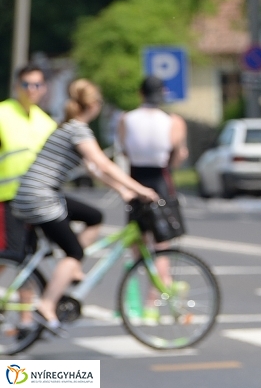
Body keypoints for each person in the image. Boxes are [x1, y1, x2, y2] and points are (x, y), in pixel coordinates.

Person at [11, 79, 158, 336]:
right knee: (74, 250)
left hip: (38, 195)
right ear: (92, 105)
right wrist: (140, 189)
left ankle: (72, 267)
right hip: (40, 198)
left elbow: (93, 169)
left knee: (94, 216)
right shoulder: (78, 130)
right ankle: (47, 304)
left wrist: (122, 190)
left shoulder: (69, 127)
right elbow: (103, 163)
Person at [117, 75, 188, 323]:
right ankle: (152, 304)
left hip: (136, 181)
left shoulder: (126, 119)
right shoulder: (173, 121)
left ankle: (134, 301)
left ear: (140, 94)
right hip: (161, 182)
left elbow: (125, 150)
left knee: (138, 246)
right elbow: (178, 154)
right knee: (162, 248)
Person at [0, 64, 57, 255]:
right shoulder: (3, 113)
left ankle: (29, 287)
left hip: (36, 197)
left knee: (30, 254)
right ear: (17, 86)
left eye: (37, 85)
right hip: (7, 198)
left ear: (44, 88)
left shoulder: (47, 123)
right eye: (26, 84)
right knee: (10, 253)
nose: (32, 90)